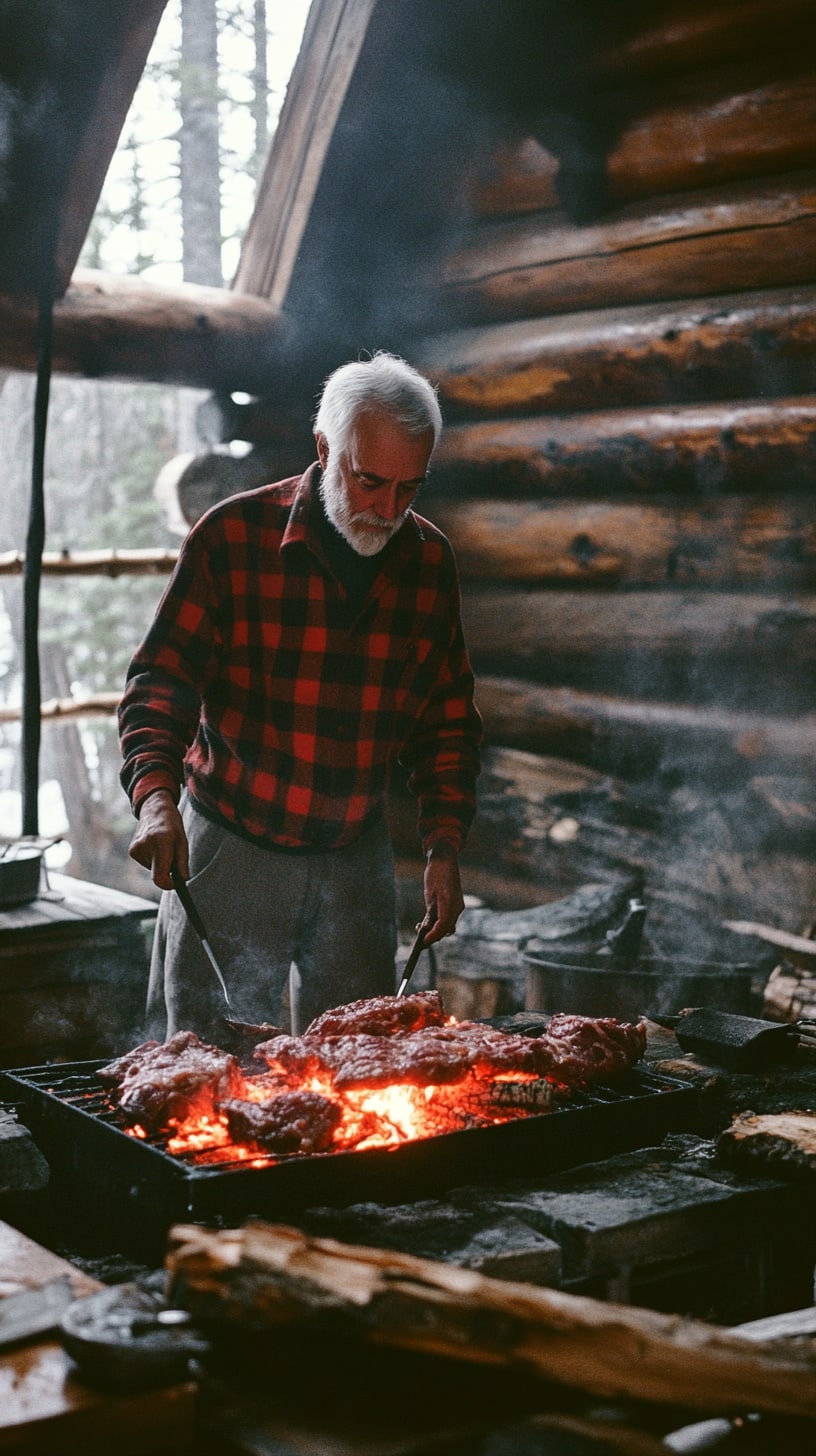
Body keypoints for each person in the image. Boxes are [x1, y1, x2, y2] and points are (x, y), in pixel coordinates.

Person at [119, 352, 483, 1042]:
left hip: (355, 854)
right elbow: (159, 682)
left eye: (411, 488)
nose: (388, 509)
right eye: (371, 481)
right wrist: (156, 799)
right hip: (230, 841)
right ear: (324, 449)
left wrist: (444, 847)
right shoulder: (232, 538)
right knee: (213, 1068)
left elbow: (448, 722)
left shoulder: (429, 562)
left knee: (356, 1066)